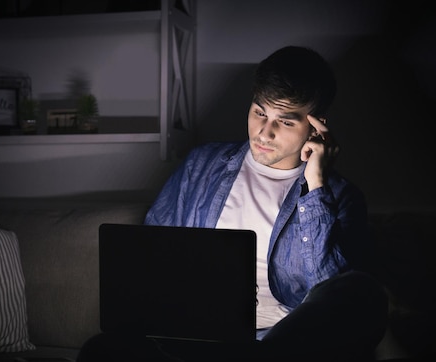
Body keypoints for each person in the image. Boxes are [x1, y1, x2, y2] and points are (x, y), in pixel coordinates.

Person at [77, 45, 388, 361]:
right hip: (196, 335)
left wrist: (316, 186)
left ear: (316, 126)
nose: (265, 133)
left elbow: (335, 299)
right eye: (259, 113)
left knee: (361, 292)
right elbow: (151, 258)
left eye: (286, 122)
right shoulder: (201, 164)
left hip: (281, 345)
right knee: (100, 351)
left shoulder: (342, 198)